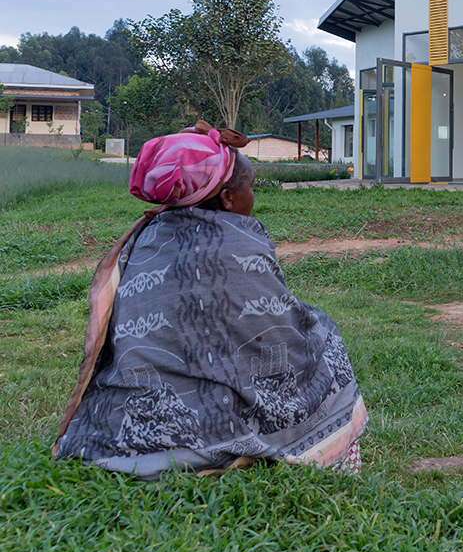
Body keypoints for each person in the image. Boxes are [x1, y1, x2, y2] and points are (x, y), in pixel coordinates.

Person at [54, 121, 367, 479]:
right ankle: (310, 448)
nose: (253, 196)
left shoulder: (146, 238)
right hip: (209, 421)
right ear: (228, 198)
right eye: (250, 187)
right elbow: (274, 336)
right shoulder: (239, 245)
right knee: (321, 333)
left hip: (126, 415)